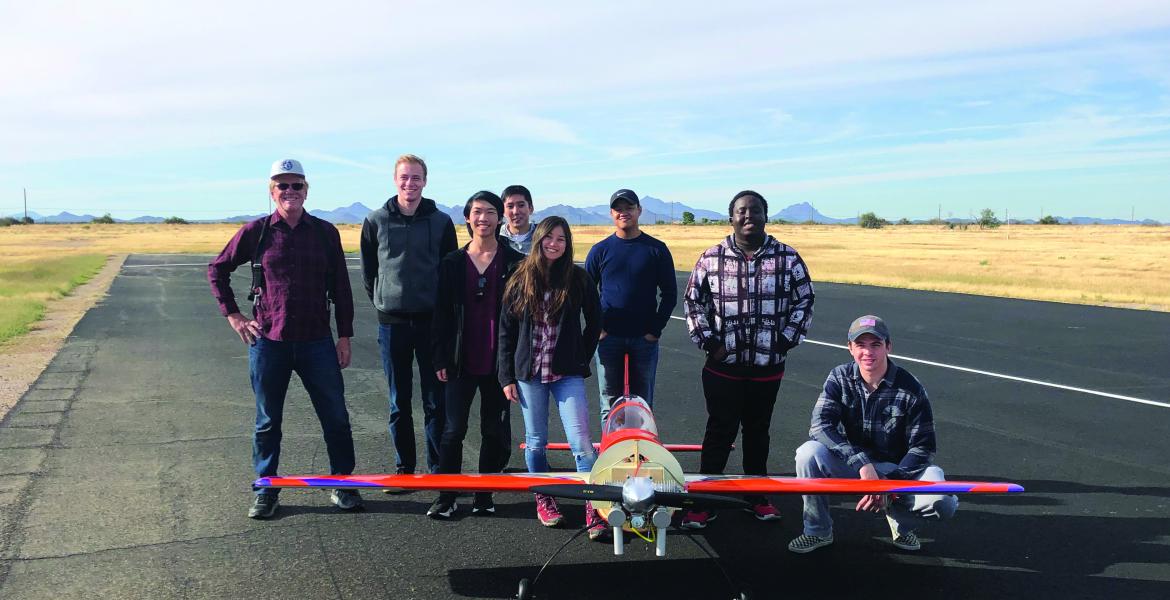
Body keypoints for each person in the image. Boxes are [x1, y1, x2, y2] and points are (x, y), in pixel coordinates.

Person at [208, 158, 361, 519]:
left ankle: (343, 482)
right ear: (271, 190)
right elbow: (218, 269)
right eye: (283, 186)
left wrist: (345, 336)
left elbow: (341, 286)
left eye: (297, 185)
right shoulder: (257, 232)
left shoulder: (325, 232)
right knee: (267, 420)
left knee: (335, 417)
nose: (290, 192)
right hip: (269, 341)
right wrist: (234, 316)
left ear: (307, 190)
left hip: (316, 341)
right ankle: (267, 488)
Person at [681, 190, 814, 529]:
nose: (748, 216)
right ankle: (703, 500)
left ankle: (756, 495)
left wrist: (785, 340)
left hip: (767, 367)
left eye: (755, 210)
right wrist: (710, 343)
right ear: (732, 218)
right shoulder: (712, 258)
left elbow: (805, 301)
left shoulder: (788, 258)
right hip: (723, 367)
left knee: (758, 432)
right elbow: (693, 302)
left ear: (766, 216)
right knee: (719, 431)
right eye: (741, 211)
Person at [788, 315, 957, 554]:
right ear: (850, 348)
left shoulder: (911, 388)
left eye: (876, 344)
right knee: (808, 453)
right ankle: (817, 531)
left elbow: (923, 446)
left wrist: (889, 483)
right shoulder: (839, 377)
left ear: (888, 346)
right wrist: (862, 464)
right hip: (855, 468)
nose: (868, 352)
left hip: (895, 470)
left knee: (943, 502)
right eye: (861, 345)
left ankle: (901, 523)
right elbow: (820, 426)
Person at [498, 216, 606, 540]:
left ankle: (593, 504)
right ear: (539, 240)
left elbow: (596, 319)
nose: (554, 244)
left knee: (582, 443)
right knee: (535, 441)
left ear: (567, 242)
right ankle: (544, 497)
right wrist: (506, 376)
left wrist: (580, 356)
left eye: (561, 239)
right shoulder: (520, 278)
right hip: (529, 374)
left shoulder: (578, 278)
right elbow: (506, 330)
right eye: (549, 238)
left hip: (566, 375)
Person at [427, 191, 526, 519]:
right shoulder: (452, 263)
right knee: (453, 429)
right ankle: (447, 495)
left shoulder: (515, 262)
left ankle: (484, 493)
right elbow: (440, 314)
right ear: (468, 218)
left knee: (492, 430)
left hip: (499, 363)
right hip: (460, 361)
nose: (483, 218)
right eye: (477, 212)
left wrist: (514, 364)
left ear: (500, 219)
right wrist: (440, 357)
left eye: (490, 212)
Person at [360, 154, 458, 477]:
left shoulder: (441, 222)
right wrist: (385, 300)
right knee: (399, 402)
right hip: (393, 326)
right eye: (404, 177)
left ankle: (436, 470)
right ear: (395, 179)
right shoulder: (376, 221)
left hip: (431, 324)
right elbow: (369, 272)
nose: (409, 183)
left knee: (435, 402)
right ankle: (404, 468)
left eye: (416, 178)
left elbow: (448, 271)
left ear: (425, 181)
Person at [585, 189, 676, 426]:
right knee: (609, 404)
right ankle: (610, 452)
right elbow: (585, 294)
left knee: (643, 404)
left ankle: (641, 453)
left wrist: (655, 330)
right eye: (618, 209)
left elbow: (669, 294)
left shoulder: (656, 249)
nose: (624, 213)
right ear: (611, 213)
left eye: (629, 208)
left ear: (639, 210)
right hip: (609, 338)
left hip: (644, 339)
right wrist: (598, 328)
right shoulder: (600, 250)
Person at [499, 184, 536, 253]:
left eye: (521, 205)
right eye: (510, 206)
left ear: (531, 208)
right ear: (503, 211)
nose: (516, 212)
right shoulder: (496, 238)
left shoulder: (543, 236)